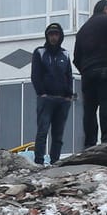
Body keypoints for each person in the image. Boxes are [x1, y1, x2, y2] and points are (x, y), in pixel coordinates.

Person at [74, 0, 107, 144]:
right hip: (106, 68)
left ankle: (90, 142)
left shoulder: (82, 30)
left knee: (90, 109)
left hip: (88, 73)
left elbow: (76, 58)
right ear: (106, 9)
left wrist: (85, 70)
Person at [29, 22, 74, 165]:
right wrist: (41, 93)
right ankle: (39, 162)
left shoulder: (65, 54)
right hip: (46, 99)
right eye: (51, 34)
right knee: (42, 132)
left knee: (58, 134)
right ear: (47, 36)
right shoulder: (39, 52)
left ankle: (55, 162)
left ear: (60, 36)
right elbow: (35, 75)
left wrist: (69, 95)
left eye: (56, 34)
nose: (53, 37)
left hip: (62, 100)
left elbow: (69, 75)